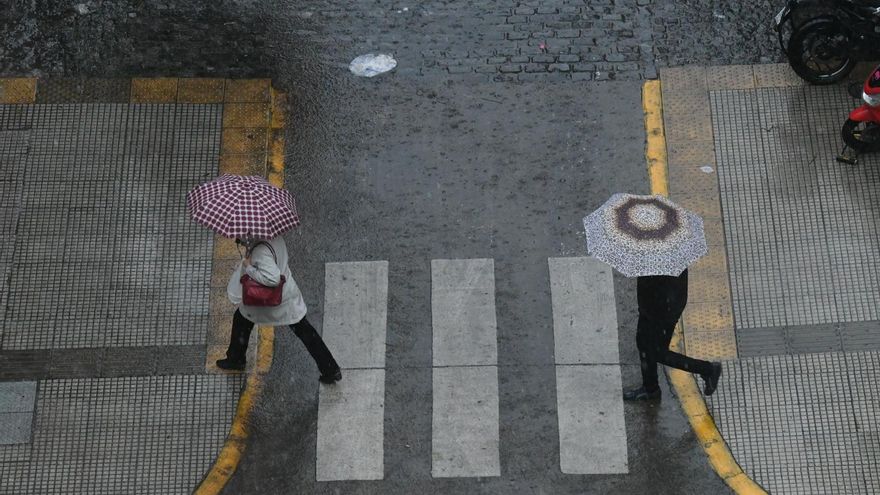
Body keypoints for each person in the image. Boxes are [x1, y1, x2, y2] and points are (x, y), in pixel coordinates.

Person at [216, 235, 342, 384]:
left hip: (273, 300)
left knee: (242, 319)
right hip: (288, 294)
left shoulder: (260, 251)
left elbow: (273, 279)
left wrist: (249, 267)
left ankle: (236, 359)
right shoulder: (276, 238)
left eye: (241, 235)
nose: (239, 238)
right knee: (304, 331)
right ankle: (330, 368)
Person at [623, 269, 721, 401]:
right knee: (643, 343)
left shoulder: (661, 259)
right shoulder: (662, 255)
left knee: (657, 351)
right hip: (653, 305)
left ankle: (707, 369)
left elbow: (661, 286)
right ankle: (650, 388)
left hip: (662, 307)